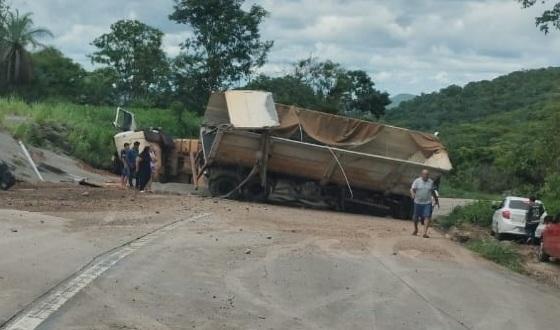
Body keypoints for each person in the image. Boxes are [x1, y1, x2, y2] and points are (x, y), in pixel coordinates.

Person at [410, 169, 439, 238]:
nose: (426, 176)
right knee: (415, 217)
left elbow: (433, 191)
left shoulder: (431, 182)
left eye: (427, 175)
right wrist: (413, 194)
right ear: (422, 175)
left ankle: (425, 233)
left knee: (427, 216)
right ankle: (416, 229)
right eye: (425, 174)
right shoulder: (417, 181)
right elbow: (412, 189)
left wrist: (436, 200)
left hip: (427, 202)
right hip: (417, 202)